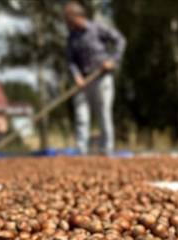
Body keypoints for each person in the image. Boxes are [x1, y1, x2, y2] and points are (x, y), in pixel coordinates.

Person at [64, 1, 125, 155]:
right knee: (81, 116)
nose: (66, 22)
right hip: (82, 80)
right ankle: (81, 150)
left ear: (76, 17)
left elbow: (120, 40)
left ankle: (106, 150)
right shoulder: (71, 37)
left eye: (68, 18)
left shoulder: (97, 29)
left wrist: (113, 60)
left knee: (104, 113)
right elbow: (71, 60)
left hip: (101, 77)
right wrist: (76, 75)